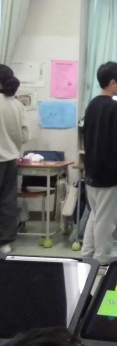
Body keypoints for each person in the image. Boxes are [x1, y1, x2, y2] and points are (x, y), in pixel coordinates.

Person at [81, 61, 117, 265]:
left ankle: (87, 254)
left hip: (92, 171)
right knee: (106, 219)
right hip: (109, 174)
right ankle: (102, 259)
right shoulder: (116, 107)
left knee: (95, 215)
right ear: (113, 82)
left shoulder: (92, 105)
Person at [0, 65, 29, 255]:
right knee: (7, 200)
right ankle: (5, 242)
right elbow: (25, 136)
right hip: (10, 160)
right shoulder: (16, 104)